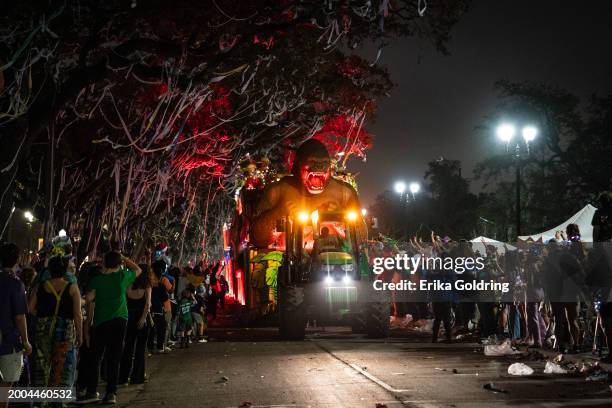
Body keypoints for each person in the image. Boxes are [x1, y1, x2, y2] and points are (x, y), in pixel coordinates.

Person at [80, 251, 141, 405]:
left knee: (96, 357)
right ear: (118, 262)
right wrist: (125, 258)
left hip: (101, 322)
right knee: (114, 358)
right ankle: (111, 393)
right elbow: (138, 270)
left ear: (105, 263)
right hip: (120, 321)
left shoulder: (97, 280)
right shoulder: (122, 277)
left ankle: (92, 391)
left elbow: (88, 298)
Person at [29, 255, 82, 390]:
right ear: (65, 270)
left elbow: (30, 309)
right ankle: (58, 402)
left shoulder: (40, 287)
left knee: (42, 365)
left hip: (43, 330)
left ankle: (42, 401)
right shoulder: (72, 288)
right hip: (65, 331)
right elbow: (77, 315)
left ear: (50, 270)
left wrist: (43, 315)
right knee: (61, 366)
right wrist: (80, 335)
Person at [0, 243, 32, 408]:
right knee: (5, 386)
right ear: (17, 259)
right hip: (9, 341)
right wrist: (26, 340)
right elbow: (20, 316)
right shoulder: (16, 284)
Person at [118, 264, 151, 386]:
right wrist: (143, 318)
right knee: (140, 349)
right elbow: (148, 304)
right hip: (141, 317)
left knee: (128, 348)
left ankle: (123, 377)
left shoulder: (128, 285)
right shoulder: (147, 286)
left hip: (129, 317)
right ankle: (137, 377)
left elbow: (124, 302)